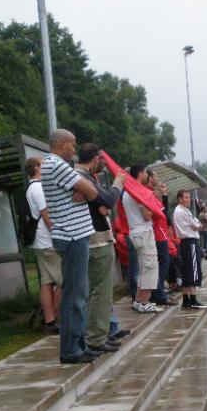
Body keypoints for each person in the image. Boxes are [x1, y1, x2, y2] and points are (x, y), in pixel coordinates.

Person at [40, 129, 100, 364]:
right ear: (62, 144)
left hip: (74, 235)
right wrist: (84, 189)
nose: (75, 151)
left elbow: (89, 189)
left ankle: (78, 344)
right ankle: (71, 349)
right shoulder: (55, 164)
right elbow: (93, 191)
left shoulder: (54, 165)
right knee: (75, 295)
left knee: (78, 293)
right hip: (72, 236)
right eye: (73, 145)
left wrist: (83, 188)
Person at [74, 143, 126, 352]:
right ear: (95, 159)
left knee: (96, 291)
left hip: (93, 239)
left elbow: (101, 202)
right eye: (102, 160)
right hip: (97, 240)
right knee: (100, 292)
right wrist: (119, 183)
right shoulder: (82, 177)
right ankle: (96, 337)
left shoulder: (83, 178)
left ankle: (101, 333)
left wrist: (100, 202)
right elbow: (107, 199)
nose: (104, 164)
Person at [24, 157, 62, 335]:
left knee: (47, 282)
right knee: (65, 280)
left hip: (40, 242)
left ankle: (49, 321)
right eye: (44, 165)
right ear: (37, 168)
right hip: (48, 242)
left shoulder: (30, 188)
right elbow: (47, 217)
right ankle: (54, 316)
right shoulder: (39, 188)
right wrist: (60, 236)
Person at [122, 164, 164, 313]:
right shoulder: (137, 191)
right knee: (150, 268)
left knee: (142, 268)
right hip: (144, 231)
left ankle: (138, 301)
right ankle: (144, 301)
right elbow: (147, 215)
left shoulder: (128, 191)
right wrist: (156, 209)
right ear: (141, 173)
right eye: (146, 172)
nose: (148, 175)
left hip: (134, 231)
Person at [173, 190, 207, 310]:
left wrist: (196, 226)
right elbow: (197, 225)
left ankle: (186, 300)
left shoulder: (179, 210)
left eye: (189, 197)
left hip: (184, 242)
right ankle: (193, 300)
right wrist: (197, 226)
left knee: (186, 271)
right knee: (193, 271)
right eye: (186, 197)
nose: (189, 200)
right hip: (190, 242)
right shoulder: (182, 211)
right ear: (180, 199)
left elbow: (196, 225)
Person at [145, 169, 177, 306]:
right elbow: (158, 214)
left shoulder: (155, 198)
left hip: (161, 233)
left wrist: (163, 195)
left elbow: (164, 211)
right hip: (158, 235)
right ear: (150, 178)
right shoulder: (149, 195)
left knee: (164, 262)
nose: (158, 179)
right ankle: (158, 293)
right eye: (156, 176)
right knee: (162, 263)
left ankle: (158, 291)